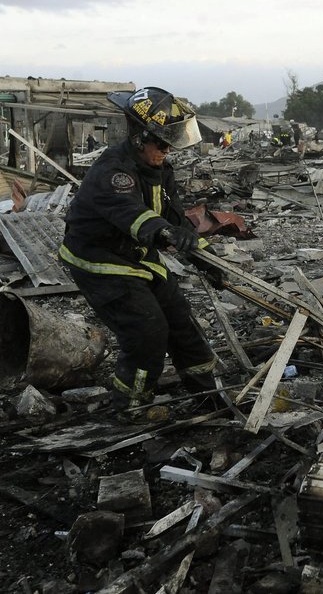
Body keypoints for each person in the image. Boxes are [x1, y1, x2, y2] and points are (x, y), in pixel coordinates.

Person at [59, 86, 223, 414]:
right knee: (148, 333)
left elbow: (175, 216)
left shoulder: (159, 168)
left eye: (170, 144)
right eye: (162, 143)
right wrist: (163, 233)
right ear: (139, 138)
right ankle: (131, 407)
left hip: (138, 258)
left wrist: (206, 258)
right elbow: (134, 216)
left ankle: (208, 399)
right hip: (100, 262)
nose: (167, 150)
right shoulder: (113, 173)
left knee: (183, 325)